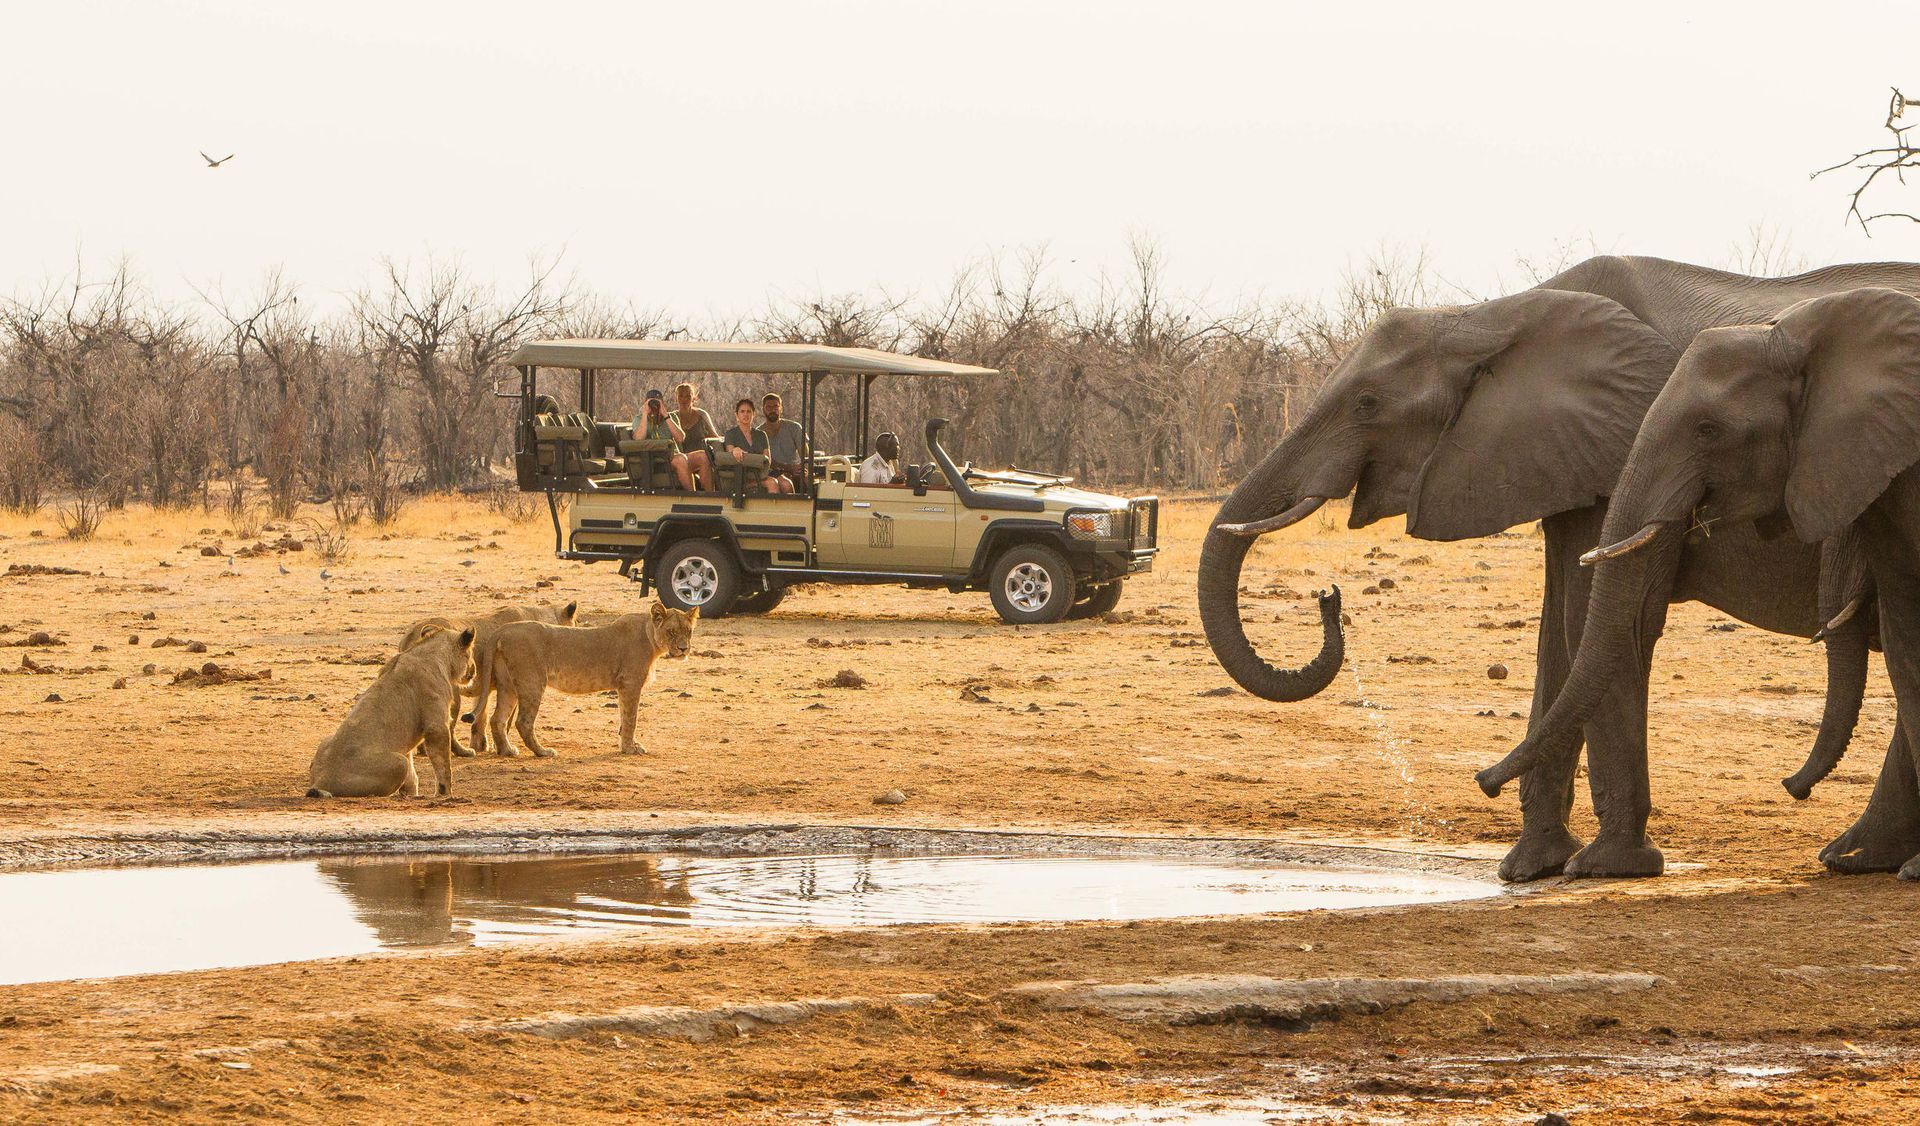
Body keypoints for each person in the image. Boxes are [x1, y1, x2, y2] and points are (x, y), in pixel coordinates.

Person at [722, 398, 791, 494]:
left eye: (749, 412)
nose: (745, 414)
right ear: (737, 415)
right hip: (745, 475)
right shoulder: (731, 434)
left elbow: (767, 459)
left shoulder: (761, 435)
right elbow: (730, 450)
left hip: (763, 472)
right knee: (772, 483)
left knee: (787, 484)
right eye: (742, 411)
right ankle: (772, 509)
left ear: (753, 414)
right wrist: (735, 450)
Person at [632, 389, 694, 490]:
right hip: (657, 459)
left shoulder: (671, 416)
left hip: (674, 454)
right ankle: (692, 496)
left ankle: (710, 497)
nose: (654, 406)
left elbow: (680, 438)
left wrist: (665, 416)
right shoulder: (638, 419)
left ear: (662, 403)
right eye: (651, 402)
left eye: (657, 402)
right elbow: (638, 438)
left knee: (702, 457)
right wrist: (645, 414)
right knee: (681, 460)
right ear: (645, 402)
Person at [670, 383, 718, 490]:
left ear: (694, 398)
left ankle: (709, 495)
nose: (684, 399)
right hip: (681, 458)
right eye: (681, 396)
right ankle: (692, 494)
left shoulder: (701, 415)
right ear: (676, 398)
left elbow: (714, 437)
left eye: (688, 396)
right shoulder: (671, 417)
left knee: (704, 457)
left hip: (702, 457)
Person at [759, 392, 807, 494]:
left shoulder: (794, 427)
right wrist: (788, 468)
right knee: (785, 483)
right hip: (773, 471)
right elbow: (766, 461)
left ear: (781, 408)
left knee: (807, 479)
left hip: (796, 469)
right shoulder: (759, 433)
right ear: (763, 409)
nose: (772, 409)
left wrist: (803, 467)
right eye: (768, 407)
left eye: (776, 406)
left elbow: (805, 453)